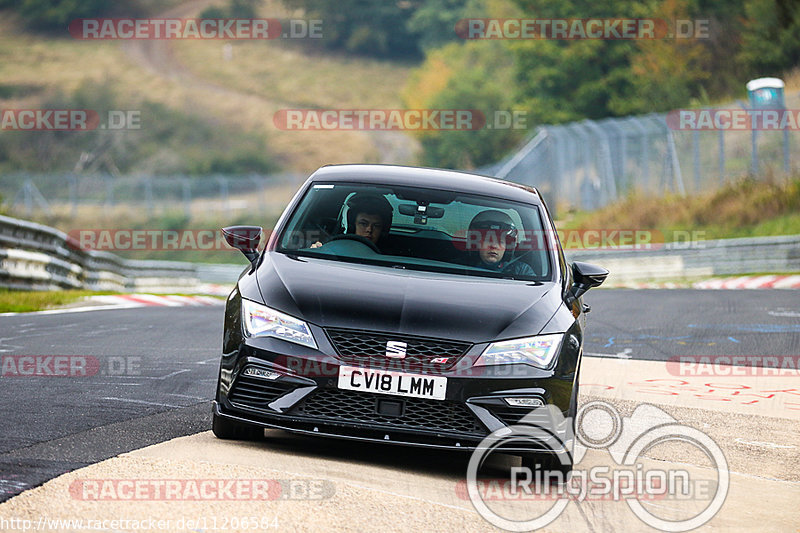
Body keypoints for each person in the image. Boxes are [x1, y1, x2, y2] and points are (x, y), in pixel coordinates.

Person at [467, 210, 536, 278]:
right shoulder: (463, 267)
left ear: (507, 247)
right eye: (488, 240)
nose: (494, 246)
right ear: (477, 244)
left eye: (500, 242)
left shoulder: (522, 271)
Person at [311, 193, 393, 249]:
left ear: (383, 230)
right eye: (363, 224)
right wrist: (318, 250)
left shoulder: (392, 255)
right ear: (352, 225)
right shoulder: (334, 247)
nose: (369, 229)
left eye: (376, 226)